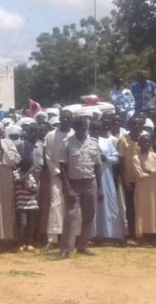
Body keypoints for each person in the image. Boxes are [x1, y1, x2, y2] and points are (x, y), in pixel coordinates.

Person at [58, 116, 103, 259]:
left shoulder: (93, 143)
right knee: (70, 216)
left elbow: (98, 166)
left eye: (85, 126)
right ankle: (65, 248)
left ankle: (83, 245)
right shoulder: (67, 143)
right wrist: (67, 188)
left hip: (90, 183)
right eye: (80, 126)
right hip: (74, 184)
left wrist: (100, 188)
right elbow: (62, 167)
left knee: (89, 215)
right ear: (75, 128)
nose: (83, 129)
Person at [43, 110, 74, 249]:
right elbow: (48, 157)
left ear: (71, 119)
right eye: (63, 118)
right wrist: (57, 172)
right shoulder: (51, 136)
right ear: (60, 119)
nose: (65, 120)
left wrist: (72, 173)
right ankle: (52, 239)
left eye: (68, 118)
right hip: (57, 176)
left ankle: (73, 237)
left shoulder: (75, 134)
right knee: (56, 204)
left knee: (73, 206)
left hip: (73, 177)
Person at [92, 119, 125, 242]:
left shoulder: (106, 142)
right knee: (93, 205)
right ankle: (93, 234)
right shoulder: (85, 142)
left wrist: (106, 159)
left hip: (106, 175)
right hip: (90, 176)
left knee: (108, 204)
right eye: (93, 128)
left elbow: (116, 159)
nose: (96, 130)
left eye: (98, 128)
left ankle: (110, 234)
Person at [117, 114, 143, 238]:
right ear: (129, 126)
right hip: (129, 180)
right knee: (130, 207)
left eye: (138, 124)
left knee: (143, 206)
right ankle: (132, 232)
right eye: (133, 123)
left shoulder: (145, 140)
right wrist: (125, 181)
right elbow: (120, 163)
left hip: (144, 180)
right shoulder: (123, 141)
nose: (136, 126)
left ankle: (144, 232)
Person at [132, 133, 156, 243]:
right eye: (143, 142)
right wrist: (153, 174)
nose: (146, 144)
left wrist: (150, 171)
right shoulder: (136, 158)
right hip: (142, 189)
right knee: (142, 210)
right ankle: (142, 235)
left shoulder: (154, 156)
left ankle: (153, 234)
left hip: (154, 188)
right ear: (139, 143)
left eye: (147, 142)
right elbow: (139, 175)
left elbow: (145, 173)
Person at [13, 157, 40, 252]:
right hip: (21, 204)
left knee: (31, 225)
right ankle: (21, 243)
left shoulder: (31, 176)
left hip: (32, 204)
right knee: (22, 225)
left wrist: (26, 188)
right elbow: (19, 181)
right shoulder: (16, 173)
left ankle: (29, 243)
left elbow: (35, 190)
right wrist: (29, 172)